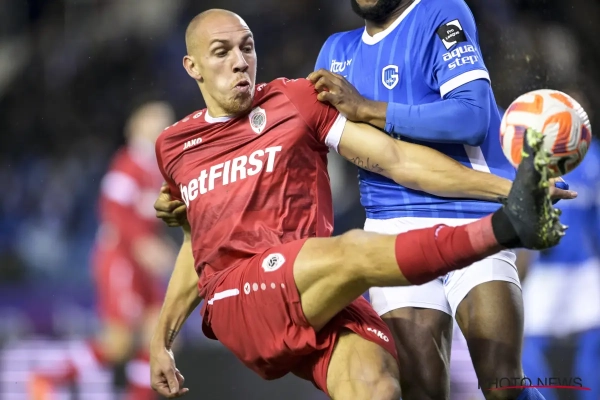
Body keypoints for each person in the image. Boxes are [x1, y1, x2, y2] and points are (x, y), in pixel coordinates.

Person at [149, 9, 567, 400]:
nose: (240, 62)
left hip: (313, 293)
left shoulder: (295, 101)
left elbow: (397, 159)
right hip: (240, 295)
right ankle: (504, 228)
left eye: (247, 47)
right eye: (221, 52)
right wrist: (161, 339)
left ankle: (507, 220)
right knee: (353, 250)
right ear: (193, 67)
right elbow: (200, 249)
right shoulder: (174, 146)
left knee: (381, 385)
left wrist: (510, 188)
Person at [305, 0, 564, 399]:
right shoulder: (335, 52)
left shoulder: (440, 12)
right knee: (421, 389)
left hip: (470, 212)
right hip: (391, 226)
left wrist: (367, 109)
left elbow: (471, 117)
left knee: (502, 384)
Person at [91, 101, 178, 399]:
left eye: (166, 120)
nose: (163, 125)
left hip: (142, 263)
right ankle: (49, 377)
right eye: (156, 119)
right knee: (118, 343)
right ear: (136, 125)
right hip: (121, 259)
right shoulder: (127, 163)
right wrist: (143, 244)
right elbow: (111, 210)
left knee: (161, 336)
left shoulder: (156, 168)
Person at [518, 138, 600, 400]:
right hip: (539, 271)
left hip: (584, 269)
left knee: (592, 349)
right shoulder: (522, 155)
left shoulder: (593, 156)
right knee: (527, 349)